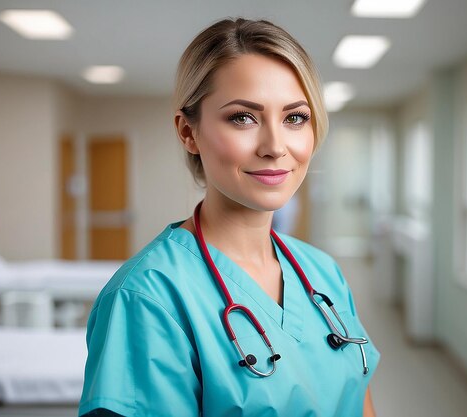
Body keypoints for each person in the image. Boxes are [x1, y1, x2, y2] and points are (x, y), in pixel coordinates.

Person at [78, 18, 380, 417]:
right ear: (189, 132)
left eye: (295, 118)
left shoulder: (323, 273)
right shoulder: (147, 299)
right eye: (243, 117)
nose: (275, 146)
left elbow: (360, 402)